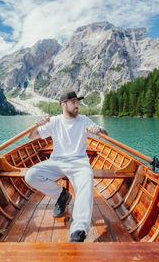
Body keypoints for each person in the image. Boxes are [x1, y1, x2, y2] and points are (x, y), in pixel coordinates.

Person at [25, 91, 108, 242]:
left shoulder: (84, 120)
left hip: (79, 162)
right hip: (56, 161)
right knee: (30, 175)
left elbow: (105, 134)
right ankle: (61, 195)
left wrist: (99, 130)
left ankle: (79, 230)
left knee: (86, 181)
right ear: (64, 105)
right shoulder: (55, 121)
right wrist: (37, 124)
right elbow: (31, 135)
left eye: (77, 102)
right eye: (73, 102)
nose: (77, 105)